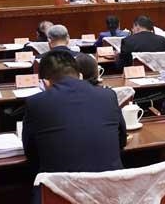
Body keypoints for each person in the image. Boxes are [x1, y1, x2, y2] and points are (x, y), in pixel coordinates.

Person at [23, 50, 126, 204]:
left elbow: (30, 152)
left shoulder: (35, 103)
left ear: (45, 83)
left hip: (59, 195)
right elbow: (121, 141)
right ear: (80, 75)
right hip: (110, 193)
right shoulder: (108, 95)